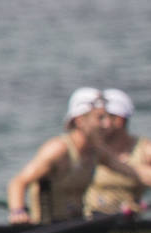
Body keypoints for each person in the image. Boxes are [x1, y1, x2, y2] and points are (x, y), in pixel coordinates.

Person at [7, 88, 108, 223]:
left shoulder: (95, 151)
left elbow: (134, 173)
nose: (107, 124)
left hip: (75, 225)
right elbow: (18, 182)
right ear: (79, 120)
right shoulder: (58, 149)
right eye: (100, 118)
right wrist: (18, 211)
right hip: (46, 229)